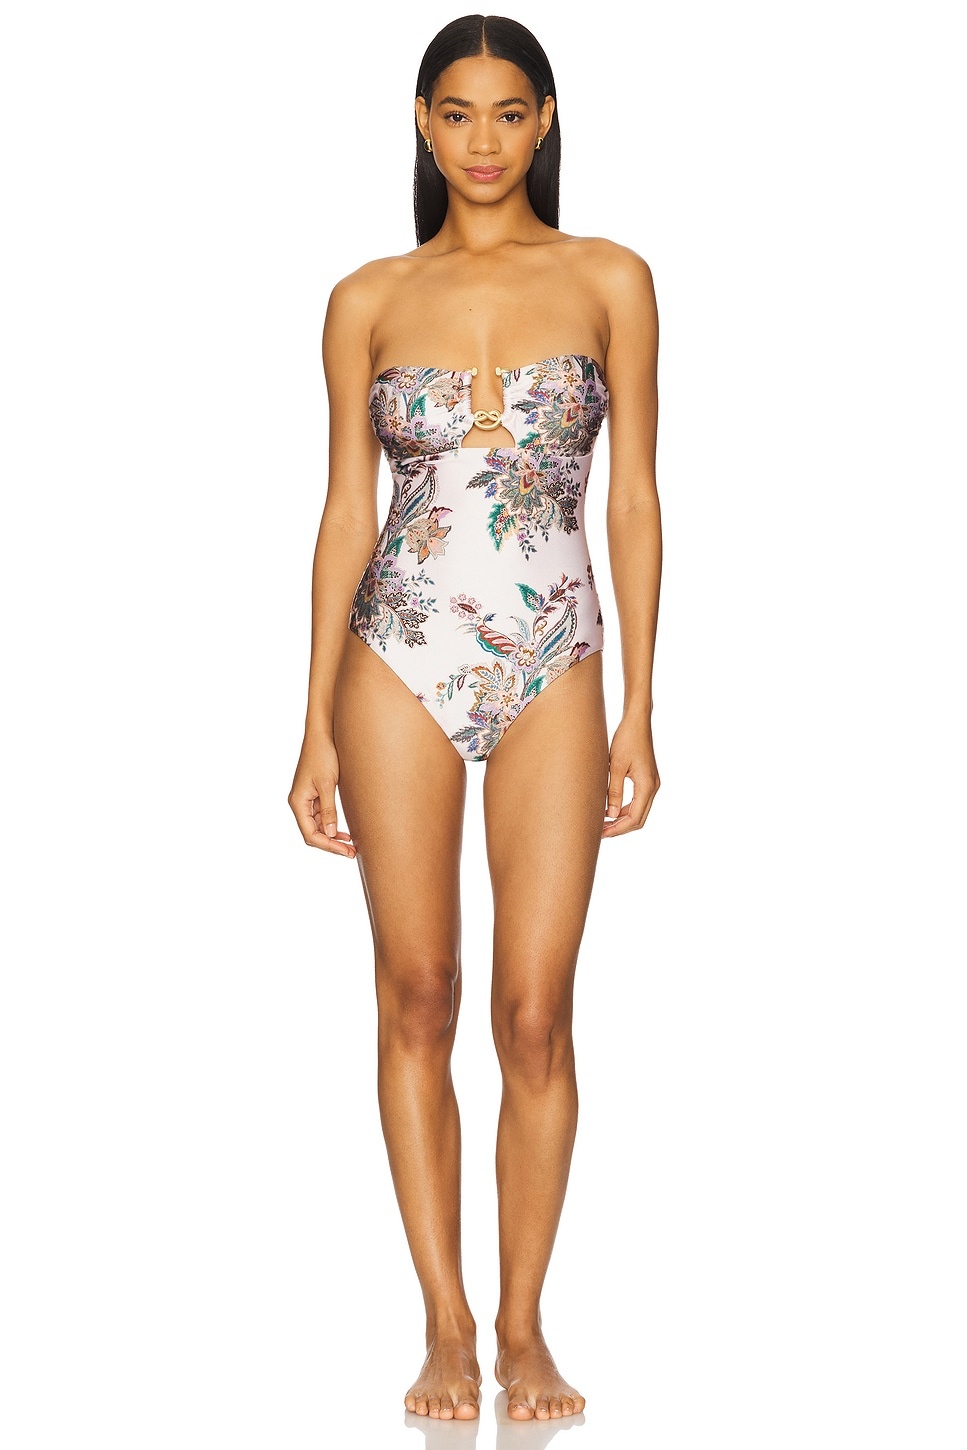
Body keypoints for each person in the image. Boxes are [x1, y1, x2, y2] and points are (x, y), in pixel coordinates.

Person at [288, 13, 661, 1424]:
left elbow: (634, 499)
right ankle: (446, 1323)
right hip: (397, 651)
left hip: (555, 653)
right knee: (417, 990)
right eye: (458, 114)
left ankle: (526, 1324)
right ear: (422, 123)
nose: (484, 140)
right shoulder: (366, 298)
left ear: (545, 122)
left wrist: (641, 704)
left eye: (510, 113)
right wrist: (311, 722)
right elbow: (345, 512)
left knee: (535, 1011)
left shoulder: (611, 279)